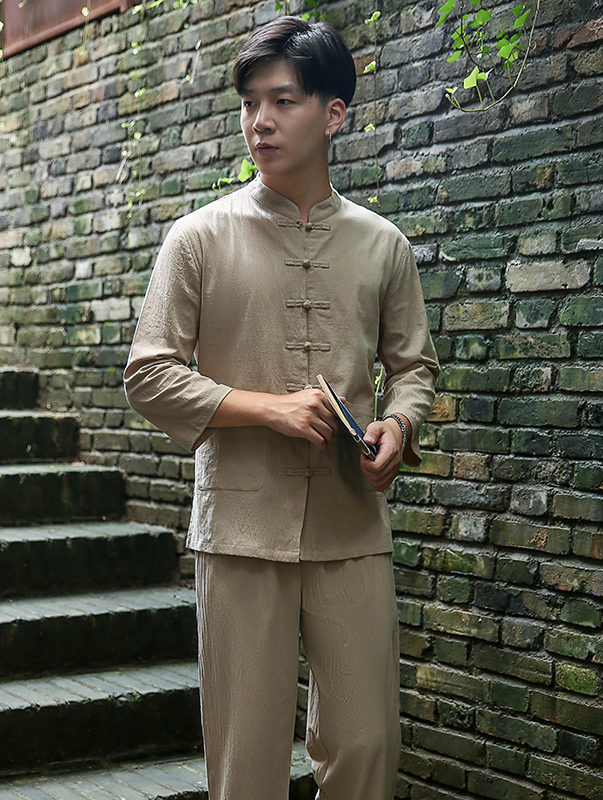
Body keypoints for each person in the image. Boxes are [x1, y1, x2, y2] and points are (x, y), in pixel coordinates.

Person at [124, 15, 439, 800]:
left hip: (351, 525)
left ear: (333, 113)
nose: (259, 121)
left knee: (367, 743)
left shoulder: (383, 245)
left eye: (282, 101)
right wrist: (266, 409)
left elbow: (413, 368)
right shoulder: (197, 239)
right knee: (246, 760)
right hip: (238, 529)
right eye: (249, 103)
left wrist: (399, 424)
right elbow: (149, 373)